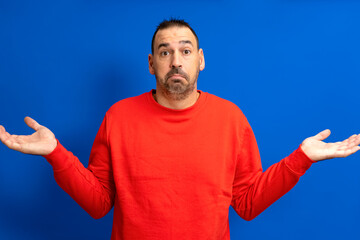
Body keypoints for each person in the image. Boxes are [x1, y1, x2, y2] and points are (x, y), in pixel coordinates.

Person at [0, 19, 360, 240]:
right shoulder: (119, 116)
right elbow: (98, 204)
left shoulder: (231, 118)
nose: (176, 61)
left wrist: (302, 159)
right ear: (151, 63)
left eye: (186, 51)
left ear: (200, 60)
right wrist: (55, 154)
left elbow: (247, 203)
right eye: (165, 51)